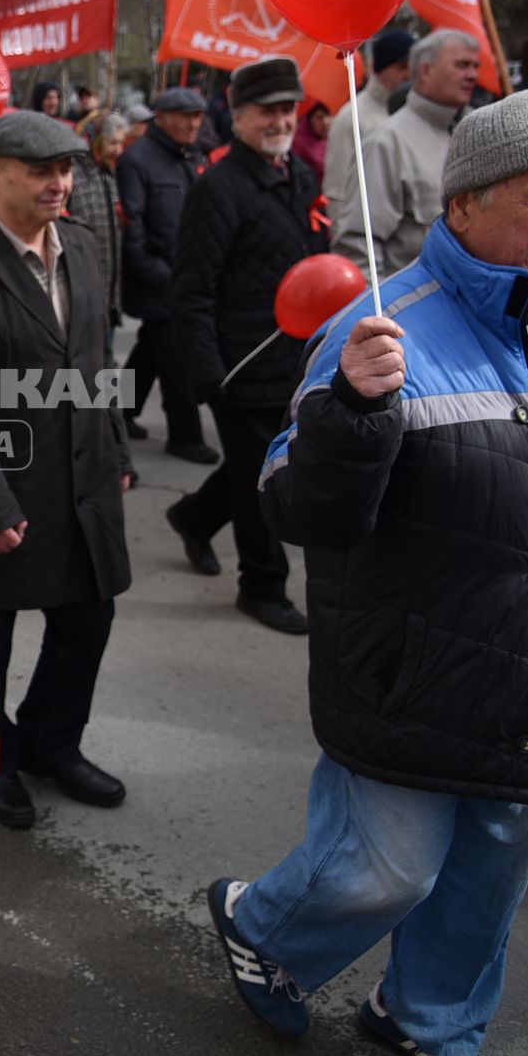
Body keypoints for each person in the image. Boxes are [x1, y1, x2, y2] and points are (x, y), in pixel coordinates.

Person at [209, 90, 528, 1056]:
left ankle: (429, 1021)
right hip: (408, 672)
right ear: (462, 204)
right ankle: (264, 928)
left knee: (490, 872)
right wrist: (353, 418)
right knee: (386, 870)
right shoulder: (379, 333)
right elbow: (300, 511)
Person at [0, 110, 134, 830]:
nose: (59, 183)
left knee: (86, 621)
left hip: (86, 484)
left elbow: (96, 363)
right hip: (4, 491)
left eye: (65, 169)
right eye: (41, 170)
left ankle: (50, 744)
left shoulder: (83, 246)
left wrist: (119, 455)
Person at [168, 58, 326, 634]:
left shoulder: (301, 177)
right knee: (267, 479)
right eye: (267, 111)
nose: (280, 120)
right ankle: (261, 585)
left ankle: (193, 516)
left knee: (252, 466)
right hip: (239, 365)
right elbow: (192, 290)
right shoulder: (217, 189)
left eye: (289, 109)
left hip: (294, 358)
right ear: (238, 116)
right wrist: (209, 373)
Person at [118, 87, 215, 463]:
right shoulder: (138, 160)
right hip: (160, 279)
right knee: (175, 356)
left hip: (187, 275)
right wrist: (159, 273)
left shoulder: (192, 155)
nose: (194, 123)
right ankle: (185, 435)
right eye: (185, 116)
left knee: (151, 350)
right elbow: (133, 227)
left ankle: (119, 411)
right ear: (163, 116)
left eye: (198, 116)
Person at [338, 29, 482, 273]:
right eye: (462, 65)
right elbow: (360, 248)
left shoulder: (482, 134)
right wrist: (382, 309)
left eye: (475, 66)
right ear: (426, 70)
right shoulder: (387, 143)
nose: (472, 75)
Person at [323, 27, 414, 235]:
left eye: (413, 66)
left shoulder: (415, 115)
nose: (409, 74)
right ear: (379, 68)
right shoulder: (352, 118)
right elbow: (337, 192)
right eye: (401, 66)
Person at [68, 113, 125, 333]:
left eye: (121, 143)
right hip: (83, 285)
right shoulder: (75, 172)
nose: (118, 150)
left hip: (110, 289)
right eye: (112, 143)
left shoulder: (110, 172)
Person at [290, 102, 331, 183]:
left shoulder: (329, 140)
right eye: (319, 117)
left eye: (327, 116)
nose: (325, 122)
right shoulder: (299, 143)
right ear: (310, 121)